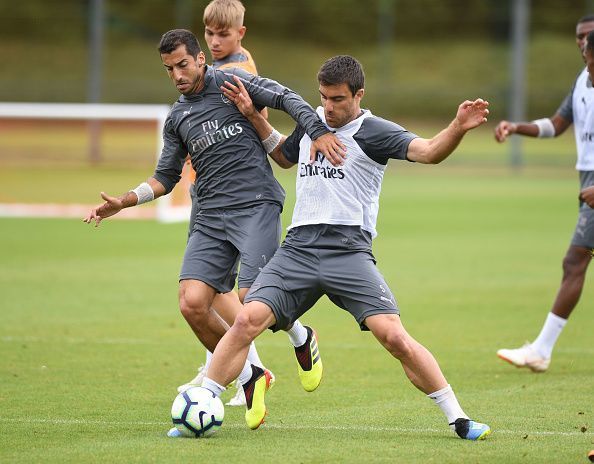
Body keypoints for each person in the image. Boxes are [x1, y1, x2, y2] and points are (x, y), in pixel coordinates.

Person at [201, 55, 492, 440]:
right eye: (323, 97)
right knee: (245, 320)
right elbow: (283, 156)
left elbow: (429, 151)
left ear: (359, 95)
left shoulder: (374, 131)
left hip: (348, 251)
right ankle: (202, 403)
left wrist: (457, 126)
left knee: (394, 336)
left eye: (337, 99)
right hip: (298, 250)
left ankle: (458, 417)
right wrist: (254, 116)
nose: (328, 107)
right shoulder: (313, 124)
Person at [83, 29, 345, 433]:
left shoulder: (233, 83)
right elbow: (165, 177)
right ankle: (251, 376)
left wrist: (319, 131)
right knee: (192, 302)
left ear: (201, 59)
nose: (176, 75)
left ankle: (299, 334)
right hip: (208, 216)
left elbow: (288, 98)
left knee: (250, 299)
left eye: (183, 65)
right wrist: (125, 200)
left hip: (255, 204)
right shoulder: (177, 118)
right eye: (169, 69)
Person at [177, 0, 272, 404]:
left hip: (233, 196)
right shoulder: (222, 67)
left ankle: (250, 367)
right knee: (208, 289)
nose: (214, 42)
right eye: (209, 34)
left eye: (223, 34)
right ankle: (229, 367)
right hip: (209, 190)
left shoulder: (236, 72)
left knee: (218, 290)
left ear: (240, 33)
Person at [494, 15, 594, 373]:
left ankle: (541, 350)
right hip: (587, 183)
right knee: (577, 262)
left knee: (574, 262)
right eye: (579, 36)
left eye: (589, 36)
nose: (583, 42)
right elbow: (557, 124)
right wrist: (517, 127)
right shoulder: (583, 81)